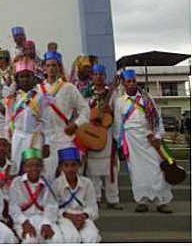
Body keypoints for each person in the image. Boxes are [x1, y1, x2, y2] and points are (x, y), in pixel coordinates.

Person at [113, 69, 173, 213]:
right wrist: (121, 143)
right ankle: (142, 201)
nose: (132, 84)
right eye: (128, 81)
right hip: (132, 141)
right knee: (136, 171)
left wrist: (158, 137)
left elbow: (157, 120)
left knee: (157, 169)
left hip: (150, 139)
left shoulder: (148, 98)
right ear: (123, 84)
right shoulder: (119, 102)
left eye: (134, 81)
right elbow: (117, 124)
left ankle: (161, 201)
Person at [39, 51, 90, 181]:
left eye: (54, 65)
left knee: (67, 175)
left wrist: (76, 124)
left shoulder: (69, 88)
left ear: (59, 67)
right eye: (48, 65)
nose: (51, 68)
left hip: (65, 136)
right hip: (45, 140)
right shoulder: (38, 89)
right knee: (48, 176)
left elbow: (85, 110)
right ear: (44, 67)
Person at [85, 64, 123, 209]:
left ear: (105, 76)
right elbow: (83, 111)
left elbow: (118, 113)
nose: (98, 77)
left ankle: (113, 199)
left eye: (101, 74)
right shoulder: (87, 93)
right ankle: (96, 198)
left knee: (111, 168)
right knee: (93, 170)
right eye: (96, 74)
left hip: (107, 134)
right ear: (92, 76)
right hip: (92, 134)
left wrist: (110, 111)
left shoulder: (113, 93)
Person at [6, 58, 51, 176]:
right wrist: (8, 140)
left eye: (28, 76)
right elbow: (8, 121)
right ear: (17, 78)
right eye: (22, 76)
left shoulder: (40, 96)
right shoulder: (13, 97)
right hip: (17, 137)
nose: (25, 79)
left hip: (34, 137)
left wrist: (47, 143)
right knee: (16, 170)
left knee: (34, 171)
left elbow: (47, 121)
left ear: (33, 78)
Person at [9, 148, 63, 243]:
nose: (34, 168)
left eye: (37, 165)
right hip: (24, 218)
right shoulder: (16, 183)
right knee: (30, 240)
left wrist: (46, 223)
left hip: (43, 218)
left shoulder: (46, 182)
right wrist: (24, 222)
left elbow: (51, 205)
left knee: (56, 239)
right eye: (30, 165)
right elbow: (13, 207)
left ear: (42, 167)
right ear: (24, 167)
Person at [54, 147, 101, 243]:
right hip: (64, 218)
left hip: (83, 217)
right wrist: (70, 216)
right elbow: (53, 208)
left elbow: (93, 208)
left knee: (92, 236)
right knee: (71, 237)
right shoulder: (56, 184)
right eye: (66, 165)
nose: (70, 169)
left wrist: (83, 216)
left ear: (79, 165)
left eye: (73, 165)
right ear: (61, 167)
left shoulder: (87, 183)